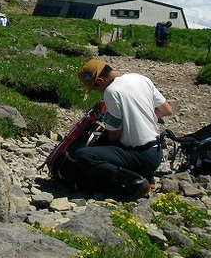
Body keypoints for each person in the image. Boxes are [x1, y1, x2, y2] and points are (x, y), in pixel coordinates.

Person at [74, 58, 173, 200]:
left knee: (84, 155)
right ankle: (148, 178)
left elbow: (115, 135)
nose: (97, 91)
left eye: (95, 88)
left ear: (100, 81)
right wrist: (140, 118)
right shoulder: (140, 79)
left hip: (141, 156)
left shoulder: (111, 92)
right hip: (157, 153)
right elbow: (167, 110)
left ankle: (134, 181)